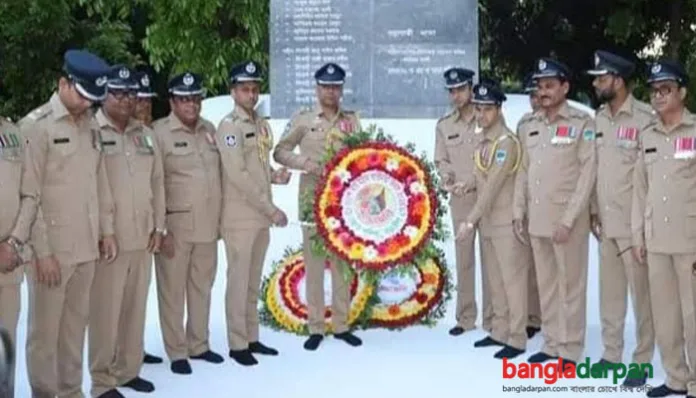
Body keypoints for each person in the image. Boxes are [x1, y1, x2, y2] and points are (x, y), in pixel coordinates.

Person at [18, 49, 118, 397]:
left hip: (86, 247)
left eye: (93, 100)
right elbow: (27, 193)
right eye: (82, 97)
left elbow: (99, 181)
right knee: (45, 335)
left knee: (75, 329)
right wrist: (41, 252)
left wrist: (106, 231)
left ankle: (72, 391)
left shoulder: (90, 124)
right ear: (63, 83)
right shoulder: (36, 127)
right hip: (53, 251)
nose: (86, 106)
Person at [273, 62, 363, 351]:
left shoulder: (352, 121)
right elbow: (280, 151)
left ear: (341, 90)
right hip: (312, 201)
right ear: (317, 88)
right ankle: (315, 326)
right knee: (313, 264)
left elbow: (361, 155)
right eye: (326, 86)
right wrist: (305, 164)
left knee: (341, 266)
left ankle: (341, 324)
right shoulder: (302, 119)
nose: (331, 91)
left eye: (336, 87)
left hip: (343, 204)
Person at [513, 57, 596, 365]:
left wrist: (569, 219)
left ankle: (571, 349)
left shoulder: (581, 123)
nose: (543, 91)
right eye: (540, 85)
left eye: (550, 85)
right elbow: (523, 170)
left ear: (565, 87)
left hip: (567, 222)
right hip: (537, 220)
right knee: (546, 286)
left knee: (570, 287)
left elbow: (588, 175)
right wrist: (517, 210)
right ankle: (550, 344)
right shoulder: (528, 125)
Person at [88, 65, 165, 397]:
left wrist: (160, 226)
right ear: (104, 95)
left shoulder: (145, 134)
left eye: (131, 94)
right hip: (110, 240)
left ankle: (128, 370)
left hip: (142, 236)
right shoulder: (91, 131)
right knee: (106, 312)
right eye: (118, 93)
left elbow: (158, 183)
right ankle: (102, 381)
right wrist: (103, 231)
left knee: (135, 308)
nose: (126, 100)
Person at [586, 50, 655, 387]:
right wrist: (593, 210)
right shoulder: (599, 118)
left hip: (634, 226)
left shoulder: (645, 118)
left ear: (619, 80)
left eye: (602, 77)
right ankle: (611, 354)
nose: (596, 83)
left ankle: (642, 359)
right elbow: (595, 171)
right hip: (607, 225)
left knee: (642, 295)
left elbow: (652, 177)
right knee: (610, 294)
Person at [217, 61, 291, 365]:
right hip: (240, 217)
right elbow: (238, 175)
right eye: (245, 89)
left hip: (259, 215)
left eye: (255, 89)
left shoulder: (259, 123)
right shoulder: (229, 127)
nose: (251, 94)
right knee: (238, 281)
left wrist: (275, 175)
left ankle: (251, 337)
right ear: (233, 92)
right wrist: (271, 209)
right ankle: (237, 344)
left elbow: (257, 166)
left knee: (251, 280)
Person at [152, 71, 224, 374]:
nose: (191, 104)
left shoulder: (210, 130)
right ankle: (177, 350)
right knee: (172, 291)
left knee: (202, 287)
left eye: (196, 98)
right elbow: (154, 184)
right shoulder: (159, 133)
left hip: (208, 225)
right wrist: (160, 228)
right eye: (184, 99)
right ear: (173, 101)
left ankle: (199, 344)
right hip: (176, 228)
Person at [632, 59, 696, 398]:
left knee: (694, 316)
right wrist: (637, 235)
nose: (658, 96)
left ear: (682, 92)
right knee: (666, 316)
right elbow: (639, 190)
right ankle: (675, 378)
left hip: (690, 242)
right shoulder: (647, 136)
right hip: (656, 242)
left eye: (666, 89)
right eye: (654, 91)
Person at [455, 79, 528, 359]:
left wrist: (470, 220)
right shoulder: (483, 141)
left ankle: (517, 337)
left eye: (486, 109)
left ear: (498, 109)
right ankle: (499, 331)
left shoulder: (505, 143)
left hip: (504, 222)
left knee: (512, 282)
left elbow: (494, 187)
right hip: (488, 223)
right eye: (478, 108)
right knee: (495, 281)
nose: (480, 114)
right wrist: (466, 185)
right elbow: (480, 177)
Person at [434, 67, 491, 335]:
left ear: (471, 88)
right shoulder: (445, 125)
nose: (456, 95)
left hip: (490, 199)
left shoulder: (487, 118)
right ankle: (466, 318)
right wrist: (446, 177)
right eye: (452, 91)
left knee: (492, 259)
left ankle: (494, 319)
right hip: (461, 200)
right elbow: (441, 159)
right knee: (464, 258)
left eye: (461, 89)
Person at [131, 70, 165, 366]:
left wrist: (158, 226)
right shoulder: (105, 134)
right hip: (118, 231)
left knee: (139, 296)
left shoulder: (151, 136)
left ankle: (134, 351)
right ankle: (116, 356)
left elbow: (157, 185)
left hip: (145, 229)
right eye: (139, 100)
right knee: (116, 300)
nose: (144, 107)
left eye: (148, 101)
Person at [0, 114, 34, 398]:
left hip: (7, 262)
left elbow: (30, 194)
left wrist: (13, 242)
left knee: (5, 345)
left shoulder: (13, 133)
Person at [518, 72, 542, 339]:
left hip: (552, 203)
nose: (534, 100)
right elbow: (520, 167)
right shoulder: (524, 124)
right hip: (528, 202)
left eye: (537, 94)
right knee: (530, 265)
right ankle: (533, 317)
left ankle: (554, 321)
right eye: (531, 95)